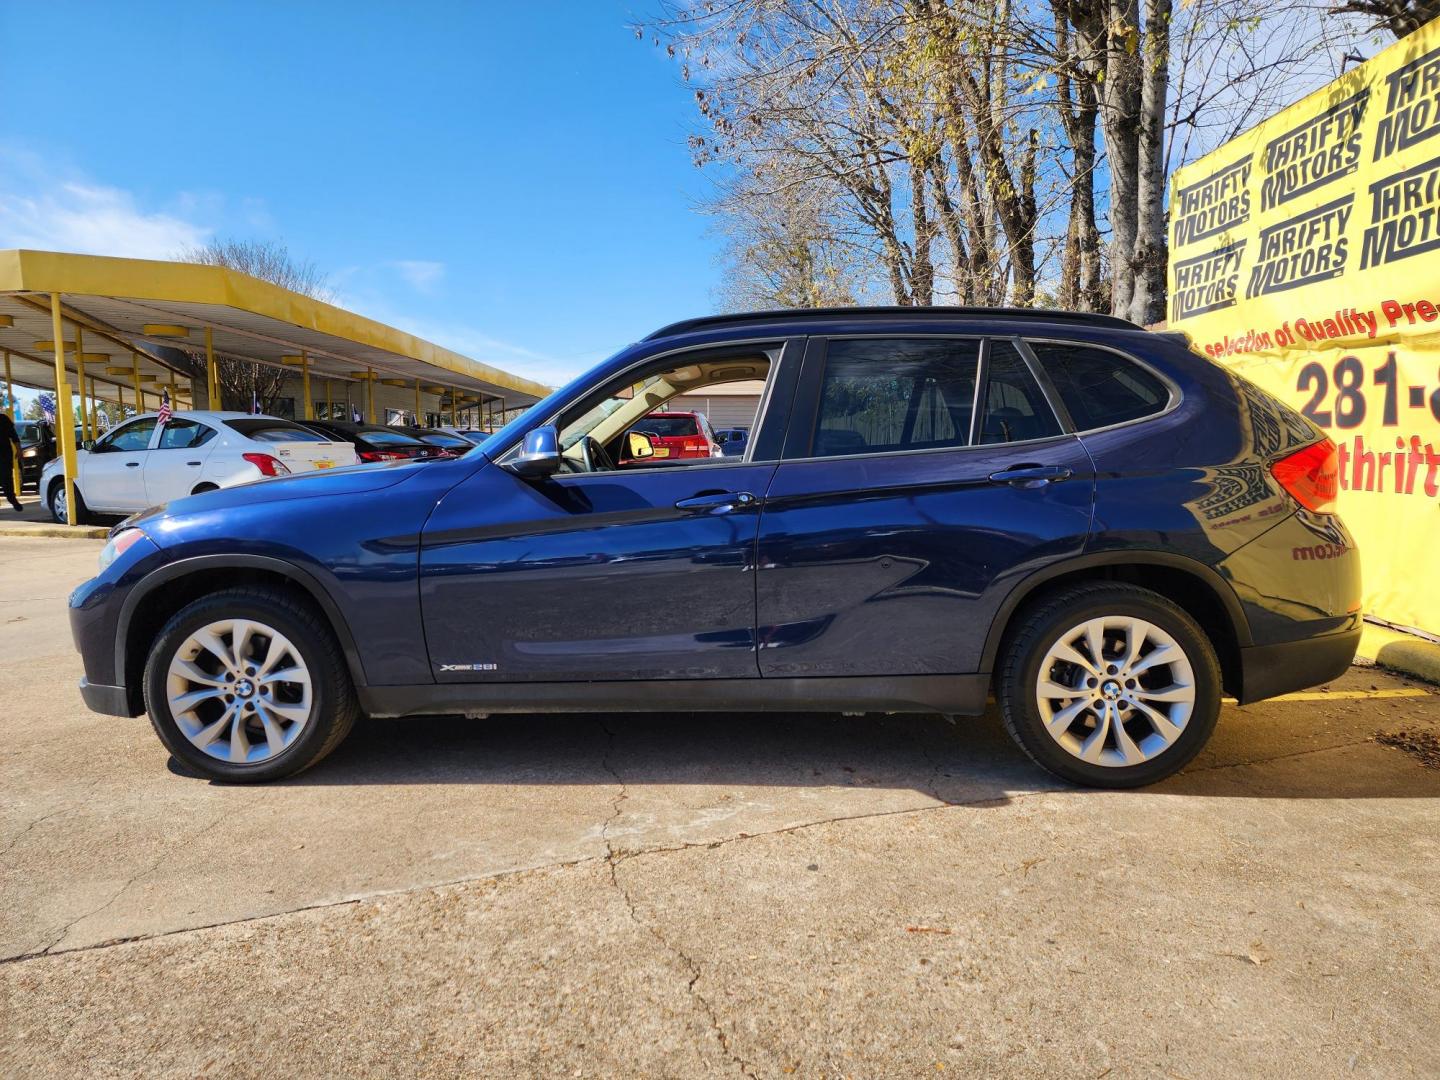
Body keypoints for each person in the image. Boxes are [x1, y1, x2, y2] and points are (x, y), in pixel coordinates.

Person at [0, 410, 21, 512]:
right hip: (5, 455)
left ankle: (12, 500)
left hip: (4, 455)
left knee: (7, 479)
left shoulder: (3, 419)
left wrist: (19, 449)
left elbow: (14, 435)